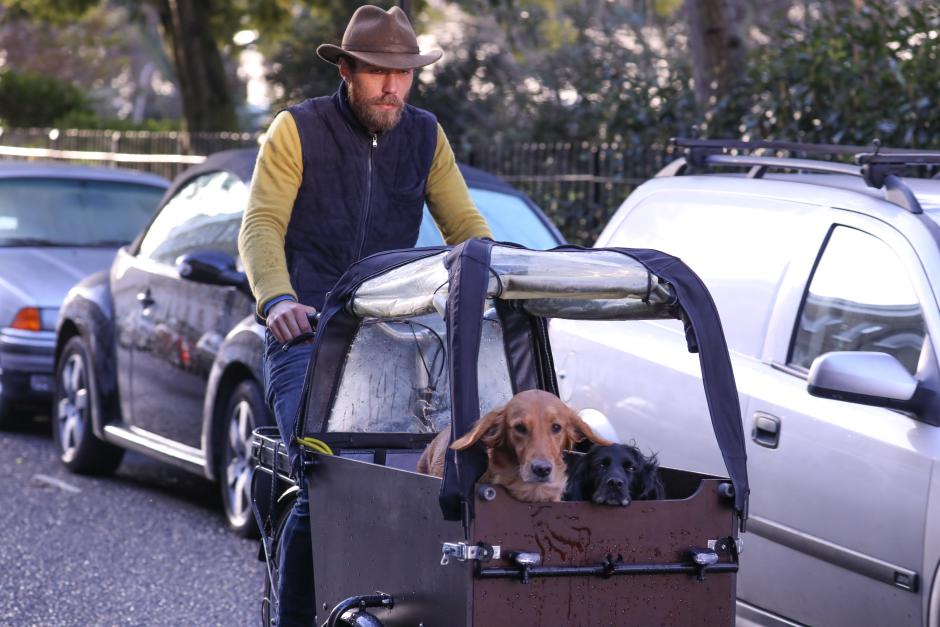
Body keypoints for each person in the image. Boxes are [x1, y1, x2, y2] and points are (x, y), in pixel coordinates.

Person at [237, 5, 492, 625]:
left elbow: (467, 230)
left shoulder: (425, 135)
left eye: (403, 74)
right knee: (323, 478)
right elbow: (261, 225)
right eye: (378, 72)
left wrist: (496, 281)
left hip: (389, 333)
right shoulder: (297, 129)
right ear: (347, 69)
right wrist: (278, 300)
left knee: (423, 479)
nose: (392, 87)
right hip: (307, 333)